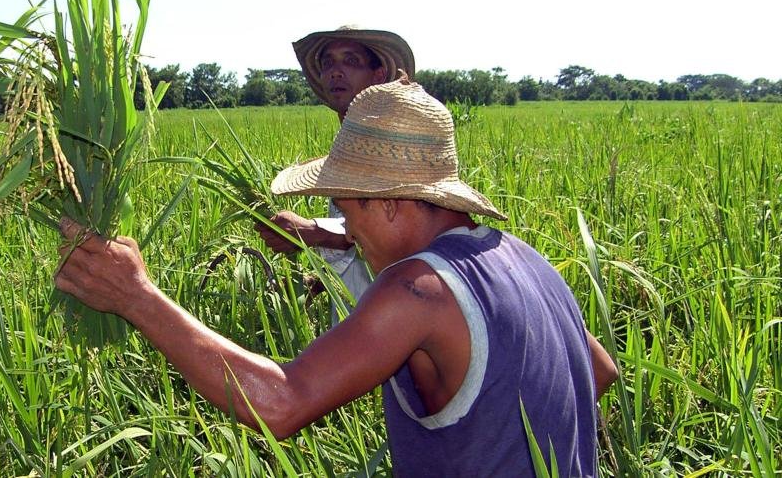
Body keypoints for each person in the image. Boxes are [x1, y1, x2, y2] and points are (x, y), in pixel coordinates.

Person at [55, 77, 618, 475]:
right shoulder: (522, 257)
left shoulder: (418, 289)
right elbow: (598, 370)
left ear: (391, 204)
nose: (347, 230)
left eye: (347, 212)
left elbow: (280, 404)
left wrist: (138, 297)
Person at [255, 25, 415, 322]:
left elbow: (387, 229)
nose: (335, 72)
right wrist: (317, 284)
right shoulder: (347, 146)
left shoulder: (392, 145)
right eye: (328, 63)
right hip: (358, 328)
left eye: (351, 61)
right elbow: (357, 243)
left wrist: (312, 231)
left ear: (378, 76)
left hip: (394, 327)